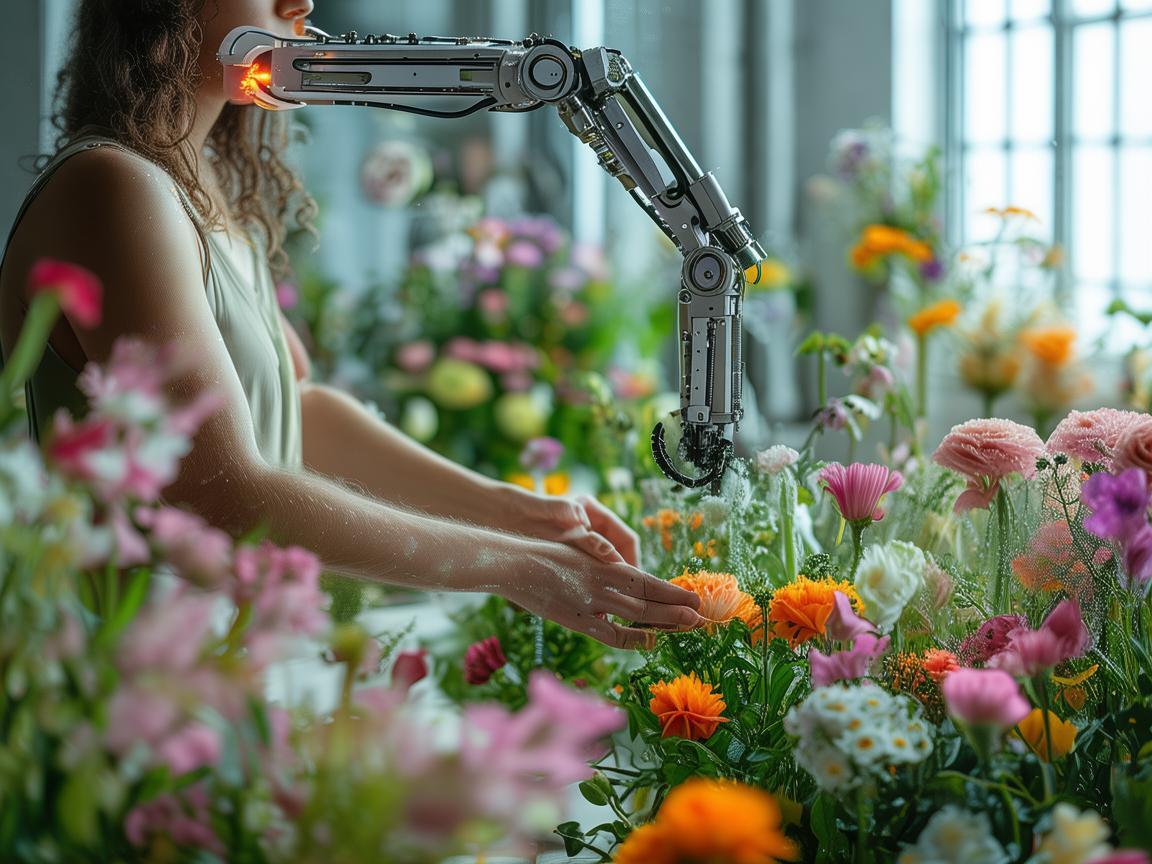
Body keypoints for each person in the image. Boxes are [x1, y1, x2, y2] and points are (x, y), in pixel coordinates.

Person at [0, 0, 702, 647]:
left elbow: (299, 416)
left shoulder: (202, 197)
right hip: (118, 688)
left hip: (220, 672)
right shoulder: (115, 188)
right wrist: (515, 567)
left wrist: (515, 514)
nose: (299, 5)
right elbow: (223, 489)